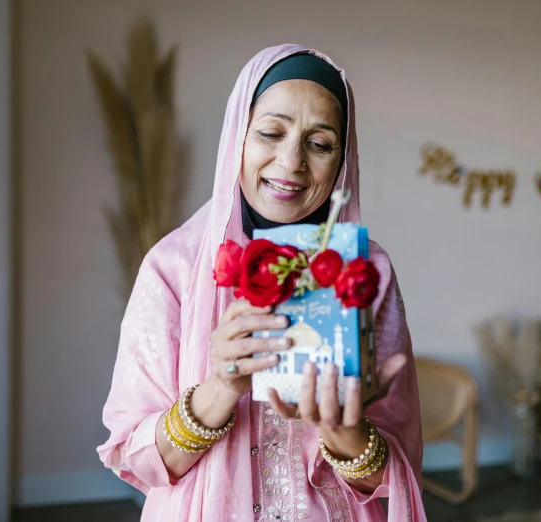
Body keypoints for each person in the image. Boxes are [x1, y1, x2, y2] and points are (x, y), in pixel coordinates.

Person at [97, 43, 428, 521]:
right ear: (238, 138)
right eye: (271, 132)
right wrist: (222, 386)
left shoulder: (364, 272)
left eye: (320, 144)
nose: (291, 161)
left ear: (342, 161)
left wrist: (344, 433)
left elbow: (397, 477)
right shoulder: (175, 268)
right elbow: (135, 459)